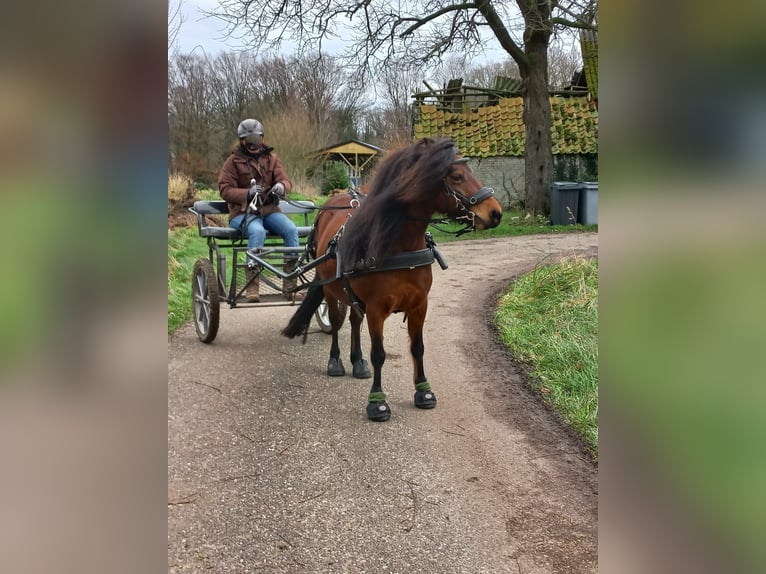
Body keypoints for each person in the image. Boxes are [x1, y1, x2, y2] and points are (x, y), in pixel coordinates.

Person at [218, 119, 300, 302]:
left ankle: (290, 286)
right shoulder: (232, 162)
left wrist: (281, 187)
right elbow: (225, 189)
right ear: (241, 141)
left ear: (262, 138)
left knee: (291, 230)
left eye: (256, 138)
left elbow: (286, 181)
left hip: (269, 210)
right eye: (249, 139)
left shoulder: (272, 158)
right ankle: (252, 287)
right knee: (257, 231)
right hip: (242, 214)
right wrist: (246, 193)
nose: (253, 143)